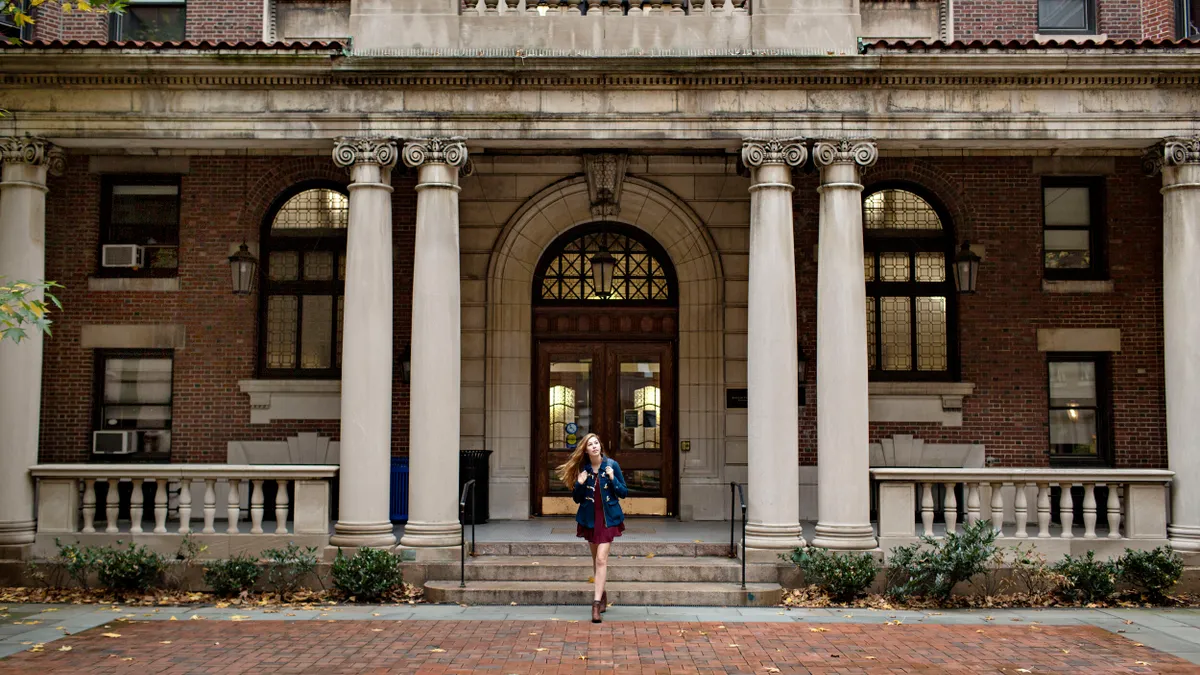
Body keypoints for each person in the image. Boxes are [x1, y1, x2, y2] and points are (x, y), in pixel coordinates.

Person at [555, 432, 628, 623]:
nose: (594, 446)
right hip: (589, 519)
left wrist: (613, 479)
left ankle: (595, 604)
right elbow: (577, 499)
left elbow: (624, 492)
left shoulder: (612, 465)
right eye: (590, 444)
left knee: (602, 559)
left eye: (596, 443)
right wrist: (579, 484)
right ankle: (602, 594)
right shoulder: (584, 469)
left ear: (600, 446)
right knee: (596, 560)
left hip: (607, 519)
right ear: (586, 450)